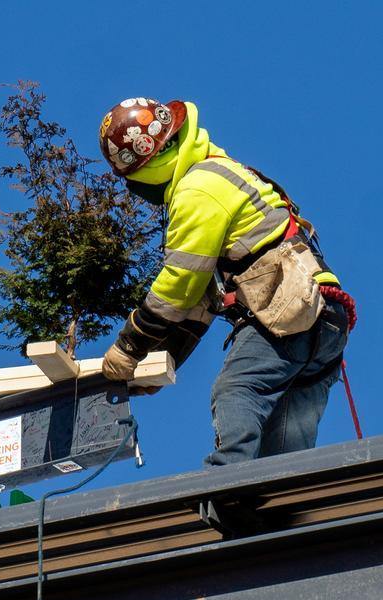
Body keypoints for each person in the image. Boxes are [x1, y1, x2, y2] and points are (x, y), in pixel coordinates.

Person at [97, 98, 355, 466]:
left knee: (236, 390)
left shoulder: (196, 189)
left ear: (145, 171)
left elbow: (179, 285)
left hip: (286, 310)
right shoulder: (221, 172)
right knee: (284, 450)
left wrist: (129, 346)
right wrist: (163, 360)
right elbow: (198, 302)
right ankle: (277, 510)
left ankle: (225, 482)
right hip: (322, 318)